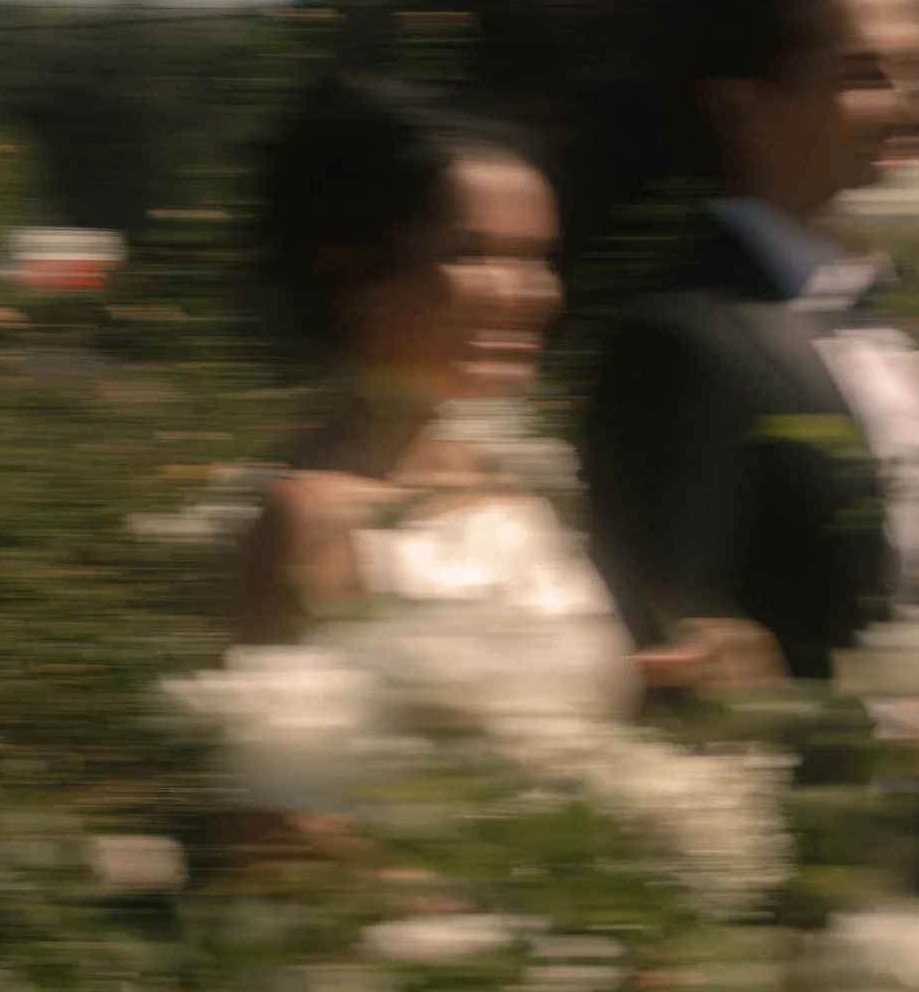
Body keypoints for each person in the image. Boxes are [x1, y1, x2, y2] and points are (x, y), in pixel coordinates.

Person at [227, 72, 768, 707]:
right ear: (351, 273)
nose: (529, 295)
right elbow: (291, 764)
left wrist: (680, 674)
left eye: (538, 259)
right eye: (473, 253)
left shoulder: (518, 485)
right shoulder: (310, 522)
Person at [583, 0, 919, 681]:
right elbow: (666, 650)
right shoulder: (680, 341)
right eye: (867, 75)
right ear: (742, 109)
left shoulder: (899, 309)